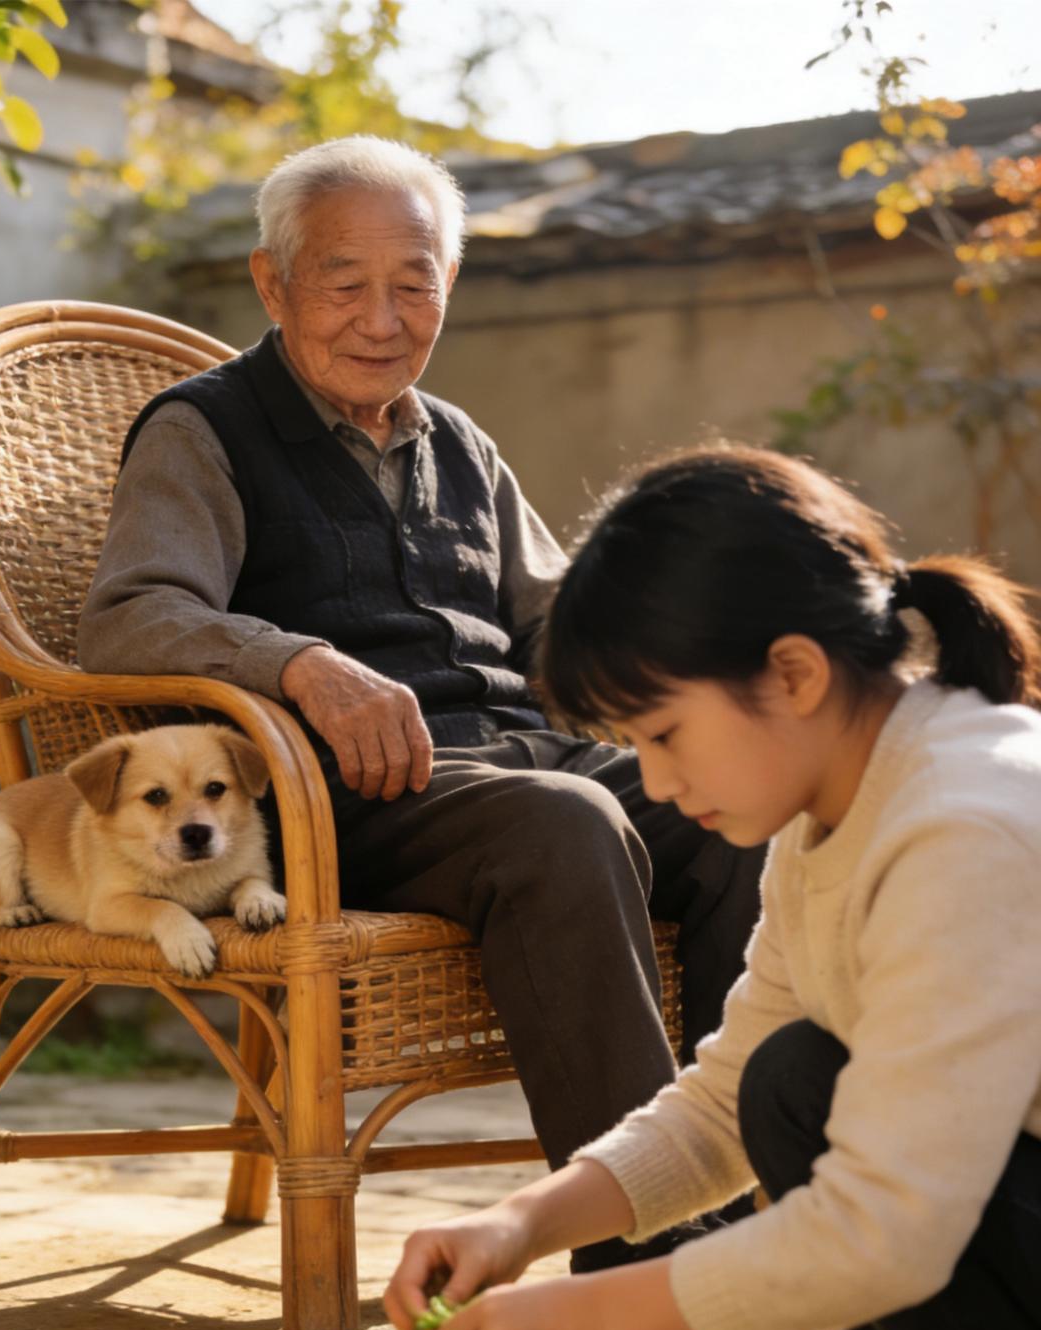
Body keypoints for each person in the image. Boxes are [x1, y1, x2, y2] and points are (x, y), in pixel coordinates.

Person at [78, 137, 763, 1269]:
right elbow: (128, 615)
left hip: (517, 759)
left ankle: (760, 1209)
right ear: (272, 282)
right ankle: (648, 1247)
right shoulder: (203, 431)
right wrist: (299, 662)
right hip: (336, 794)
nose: (381, 318)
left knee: (742, 806)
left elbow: (555, 624)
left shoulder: (460, 442)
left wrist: (703, 665)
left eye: (415, 284)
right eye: (344, 283)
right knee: (564, 823)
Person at [383, 444, 1041, 1330]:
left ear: (788, 673)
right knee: (791, 1082)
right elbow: (724, 1095)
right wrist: (522, 1222)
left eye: (662, 733)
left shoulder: (964, 823)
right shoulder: (830, 811)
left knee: (843, 1136)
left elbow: (885, 1230)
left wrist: (593, 1314)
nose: (650, 775)